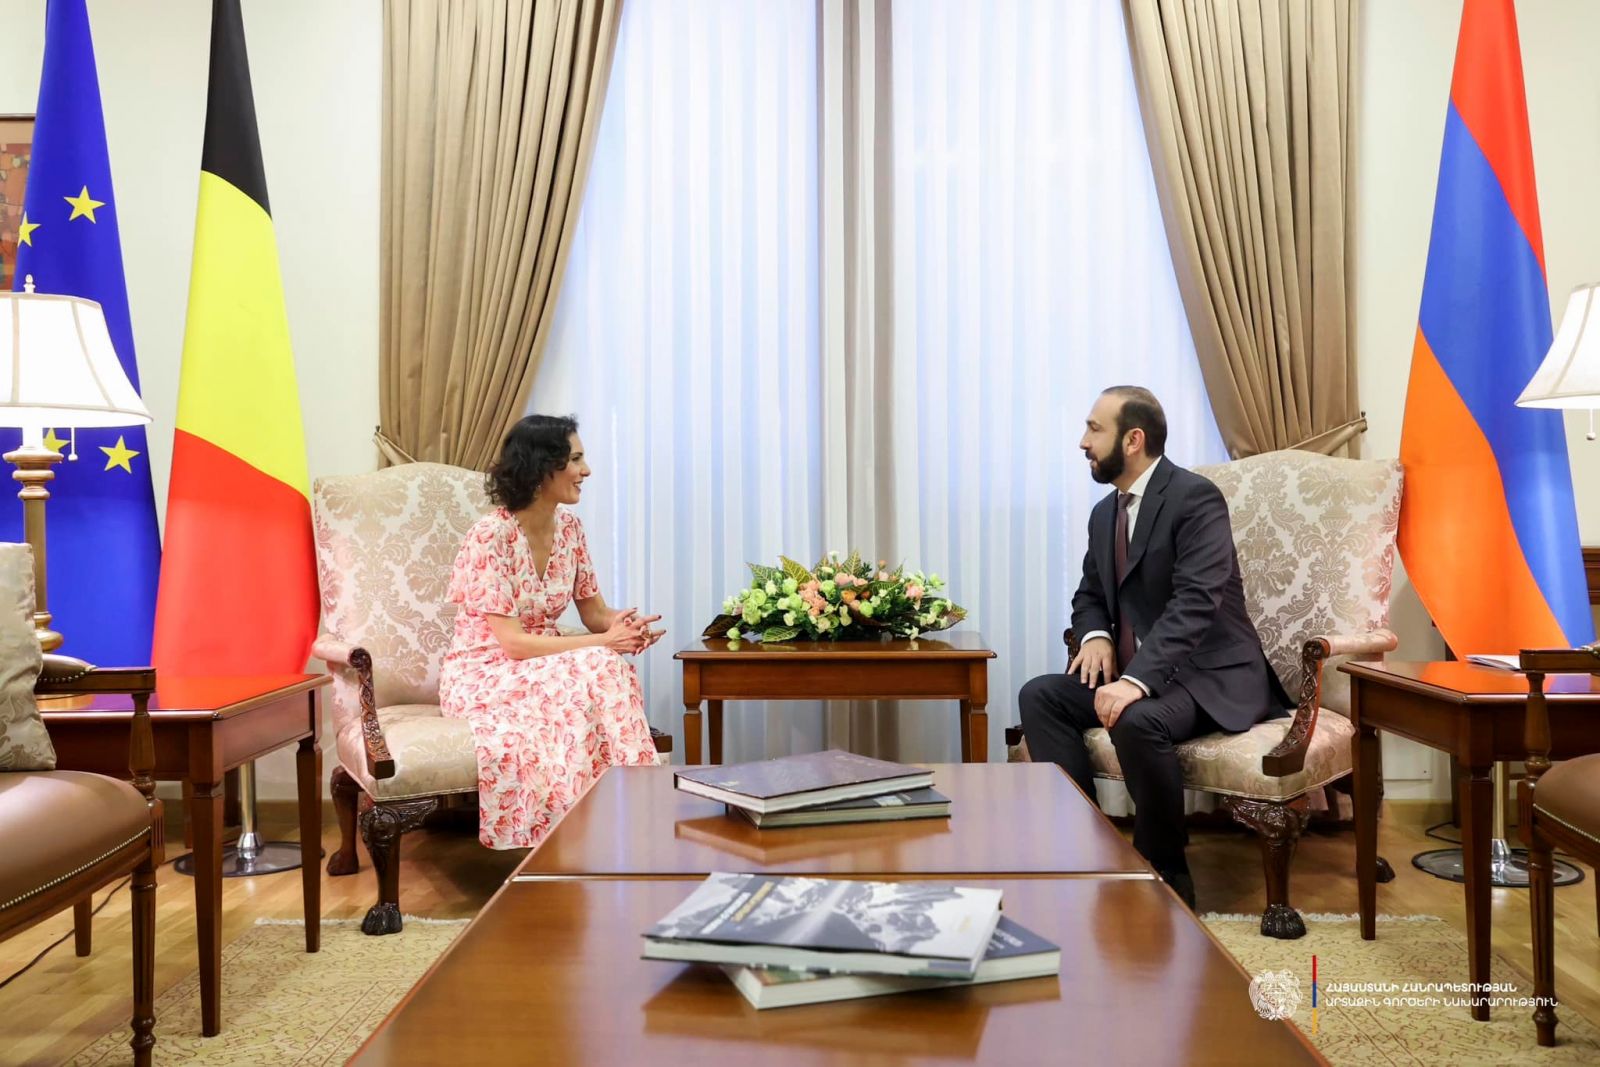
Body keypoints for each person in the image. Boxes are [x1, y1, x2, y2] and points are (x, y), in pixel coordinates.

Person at [1017, 386, 1288, 908]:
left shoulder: (1195, 498)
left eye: (1094, 429)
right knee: (1040, 696)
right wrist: (1097, 635)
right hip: (1146, 673)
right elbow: (1089, 594)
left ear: (1133, 439)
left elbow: (1197, 601)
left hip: (1211, 674)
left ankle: (1165, 871)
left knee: (1138, 719)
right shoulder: (1105, 514)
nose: (1083, 441)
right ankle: (1087, 848)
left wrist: (1135, 681)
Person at [441, 414, 665, 850]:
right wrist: (605, 642)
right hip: (483, 674)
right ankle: (633, 813)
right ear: (541, 467)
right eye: (575, 460)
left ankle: (609, 822)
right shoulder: (490, 536)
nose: (587, 470)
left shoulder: (571, 530)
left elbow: (595, 613)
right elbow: (512, 643)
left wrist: (622, 626)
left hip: (543, 666)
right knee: (602, 662)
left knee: (602, 666)